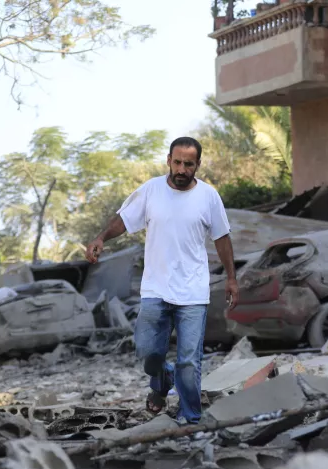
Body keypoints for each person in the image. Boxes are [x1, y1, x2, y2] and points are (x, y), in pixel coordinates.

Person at [84, 137, 239, 425]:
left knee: (189, 362)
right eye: (177, 162)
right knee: (147, 351)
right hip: (156, 289)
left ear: (197, 165)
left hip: (193, 292)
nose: (181, 169)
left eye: (188, 164)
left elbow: (222, 238)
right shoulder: (151, 190)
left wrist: (231, 278)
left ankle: (190, 419)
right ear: (168, 160)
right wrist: (101, 238)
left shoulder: (208, 197)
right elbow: (123, 219)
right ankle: (161, 379)